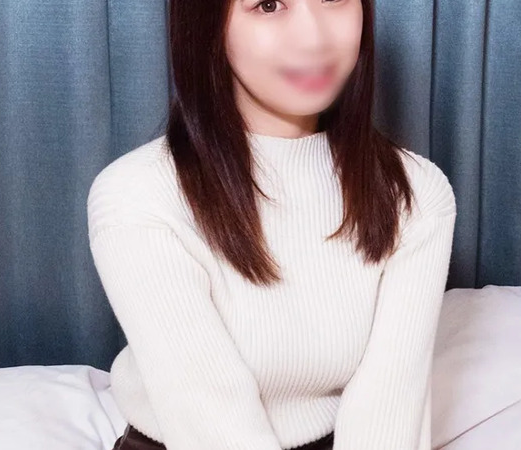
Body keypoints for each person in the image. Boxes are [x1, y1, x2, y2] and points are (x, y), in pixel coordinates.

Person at [87, 0, 457, 449]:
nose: (314, 39)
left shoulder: (415, 191)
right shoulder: (137, 195)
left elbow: (390, 408)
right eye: (268, 5)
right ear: (206, 24)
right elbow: (208, 419)